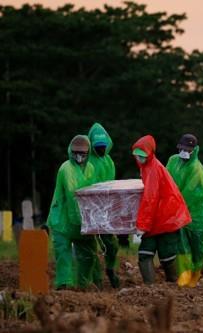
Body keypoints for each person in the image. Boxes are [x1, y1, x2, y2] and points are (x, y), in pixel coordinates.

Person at [132, 135, 191, 284]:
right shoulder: (148, 167)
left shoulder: (152, 169)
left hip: (166, 217)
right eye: (137, 155)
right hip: (161, 217)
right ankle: (154, 287)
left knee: (166, 254)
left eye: (142, 155)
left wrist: (142, 225)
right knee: (147, 252)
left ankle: (173, 283)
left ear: (150, 154)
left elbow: (150, 199)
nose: (139, 158)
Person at [46, 135, 99, 289]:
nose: (79, 156)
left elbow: (93, 191)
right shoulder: (66, 169)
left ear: (88, 152)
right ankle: (64, 286)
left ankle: (83, 285)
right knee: (63, 255)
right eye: (76, 152)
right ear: (71, 151)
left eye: (83, 153)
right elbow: (72, 195)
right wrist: (83, 222)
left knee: (88, 255)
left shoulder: (90, 168)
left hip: (83, 221)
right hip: (63, 219)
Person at [167, 134, 203, 288]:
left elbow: (189, 194)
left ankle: (196, 273)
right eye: (183, 148)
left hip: (196, 213)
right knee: (180, 243)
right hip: (179, 209)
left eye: (189, 149)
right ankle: (184, 274)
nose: (185, 151)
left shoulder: (196, 169)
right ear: (178, 146)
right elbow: (166, 179)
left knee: (196, 245)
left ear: (194, 150)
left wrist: (175, 204)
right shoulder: (173, 161)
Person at [87, 122, 120, 288]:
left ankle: (110, 269)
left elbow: (111, 185)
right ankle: (97, 281)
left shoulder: (109, 161)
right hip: (91, 209)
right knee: (94, 247)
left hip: (106, 210)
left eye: (103, 146)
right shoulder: (88, 161)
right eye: (98, 146)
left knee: (111, 244)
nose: (101, 149)